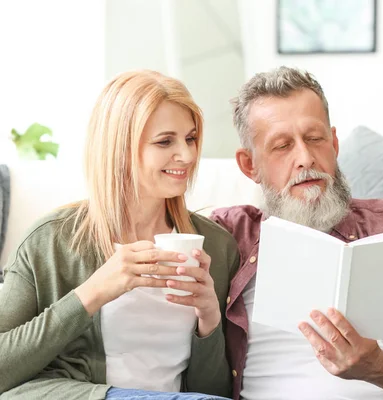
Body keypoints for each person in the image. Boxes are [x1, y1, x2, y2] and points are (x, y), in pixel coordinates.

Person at [211, 66, 383, 400]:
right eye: (282, 146)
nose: (305, 158)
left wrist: (377, 367)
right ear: (249, 165)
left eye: (315, 138)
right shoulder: (226, 235)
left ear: (334, 143)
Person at [0, 70, 239, 400]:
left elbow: (213, 391)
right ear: (120, 149)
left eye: (191, 138)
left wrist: (209, 319)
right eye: (165, 141)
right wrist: (93, 292)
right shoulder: (50, 241)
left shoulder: (216, 246)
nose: (187, 155)